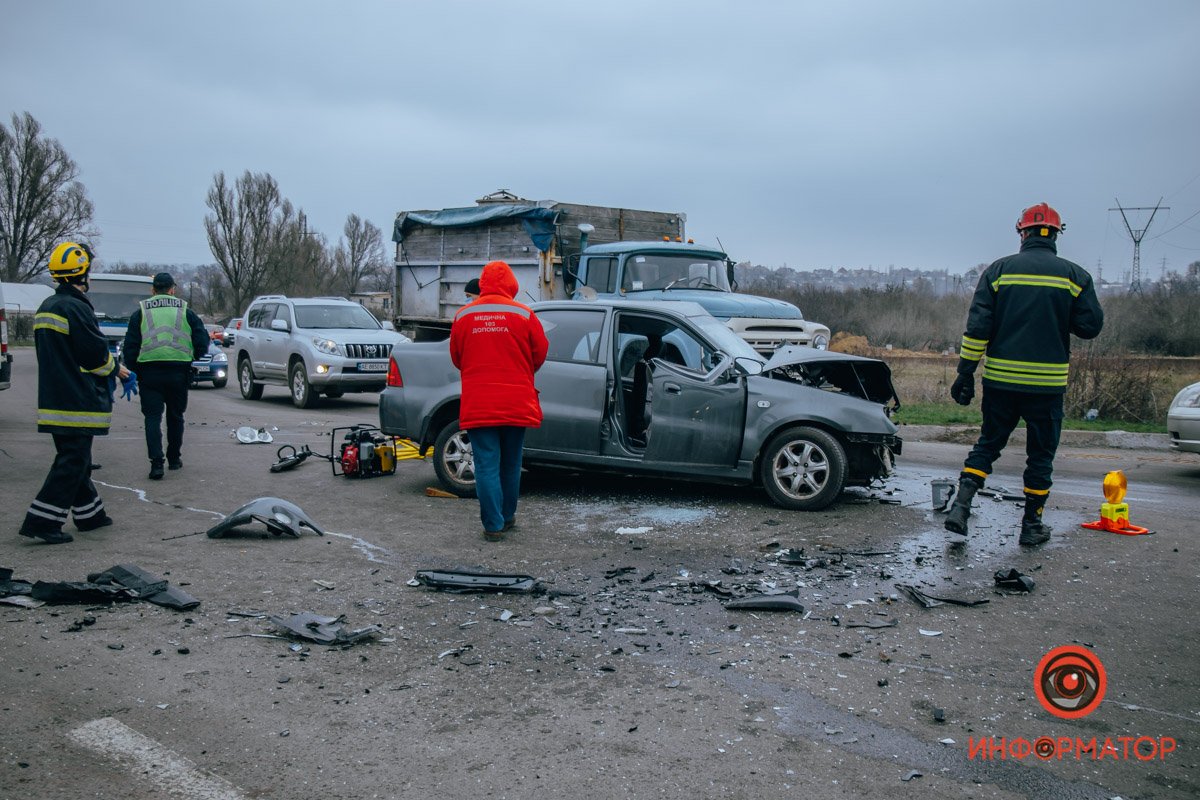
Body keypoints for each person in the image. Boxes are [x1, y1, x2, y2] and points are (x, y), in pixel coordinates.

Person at [944, 203, 1104, 546]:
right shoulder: (1075, 277)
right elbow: (1090, 327)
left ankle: (960, 507)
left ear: (1022, 233)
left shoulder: (999, 271)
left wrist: (965, 373)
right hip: (1047, 387)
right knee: (1041, 456)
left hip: (1001, 382)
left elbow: (977, 329)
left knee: (988, 445)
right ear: (1056, 235)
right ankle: (1031, 526)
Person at [19, 242, 130, 544]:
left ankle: (90, 515)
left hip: (56, 396)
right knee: (73, 459)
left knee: (76, 457)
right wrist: (117, 369)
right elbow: (93, 353)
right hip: (77, 400)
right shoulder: (76, 308)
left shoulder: (49, 306)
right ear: (83, 274)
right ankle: (42, 521)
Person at [449, 260, 548, 540]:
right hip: (516, 402)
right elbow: (540, 353)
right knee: (511, 463)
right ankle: (508, 516)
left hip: (479, 403)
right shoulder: (524, 314)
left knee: (486, 465)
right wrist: (521, 372)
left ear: (482, 283)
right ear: (511, 284)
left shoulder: (463, 316)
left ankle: (492, 526)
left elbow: (457, 357)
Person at [122, 272, 209, 479]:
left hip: (149, 373)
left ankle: (156, 464)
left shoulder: (140, 312)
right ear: (173, 289)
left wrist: (134, 369)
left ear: (153, 290)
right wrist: (190, 357)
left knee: (152, 418)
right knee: (175, 417)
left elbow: (130, 347)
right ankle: (174, 459)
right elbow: (202, 341)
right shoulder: (185, 311)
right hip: (178, 371)